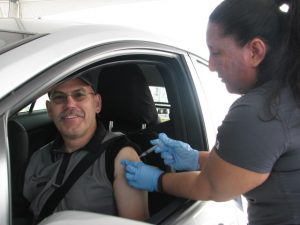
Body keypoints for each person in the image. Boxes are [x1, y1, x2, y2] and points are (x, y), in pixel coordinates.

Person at [122, 0, 300, 224]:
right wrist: (196, 158)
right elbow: (247, 162)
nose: (211, 65)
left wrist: (157, 180)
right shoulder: (287, 97)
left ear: (255, 51)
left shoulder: (261, 111)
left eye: (216, 53)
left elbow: (212, 187)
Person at [23, 73, 149, 223]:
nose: (69, 104)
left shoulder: (121, 157)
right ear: (50, 110)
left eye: (79, 95)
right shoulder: (38, 157)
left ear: (97, 104)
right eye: (59, 97)